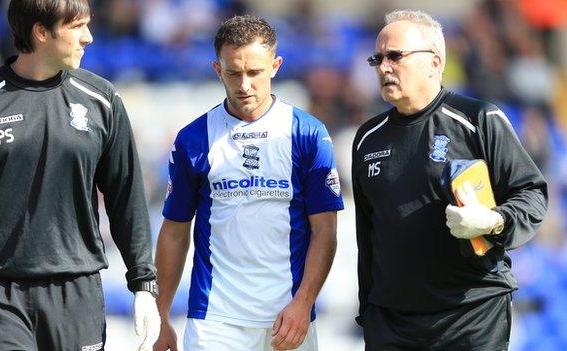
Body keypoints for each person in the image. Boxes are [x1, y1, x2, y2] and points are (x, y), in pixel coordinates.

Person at [0, 1, 160, 350]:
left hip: (77, 294)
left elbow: (126, 197)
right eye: (76, 27)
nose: (88, 37)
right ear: (41, 32)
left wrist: (144, 284)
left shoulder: (101, 100)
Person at [352, 9, 548, 351]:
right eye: (377, 58)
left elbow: (531, 194)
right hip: (392, 322)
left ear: (435, 61)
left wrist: (493, 220)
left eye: (396, 56)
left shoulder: (478, 118)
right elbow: (367, 236)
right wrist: (367, 307)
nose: (383, 67)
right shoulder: (368, 138)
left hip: (470, 314)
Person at [153, 15, 344, 351]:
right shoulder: (193, 139)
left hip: (287, 319)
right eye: (233, 72)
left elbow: (325, 231)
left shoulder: (307, 133)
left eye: (254, 72)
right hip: (214, 319)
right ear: (216, 69)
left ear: (275, 66)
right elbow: (174, 231)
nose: (244, 85)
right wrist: (160, 315)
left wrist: (303, 303)